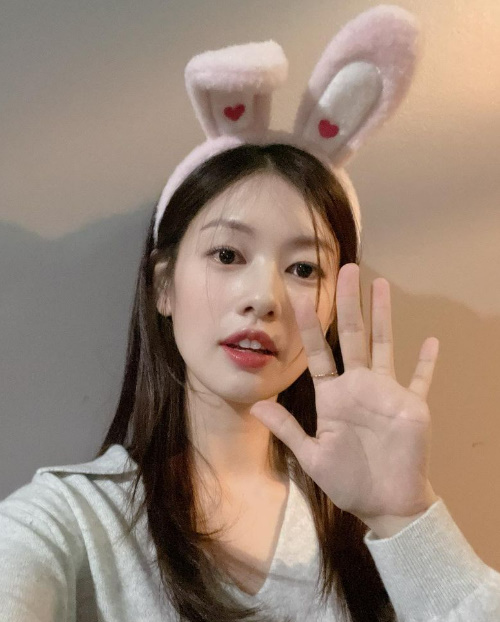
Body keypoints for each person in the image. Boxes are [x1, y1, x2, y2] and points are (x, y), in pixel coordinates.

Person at [1, 5, 499, 622]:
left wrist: (403, 517)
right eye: (228, 254)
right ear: (163, 286)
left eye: (303, 269)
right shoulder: (72, 521)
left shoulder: (362, 527)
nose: (263, 297)